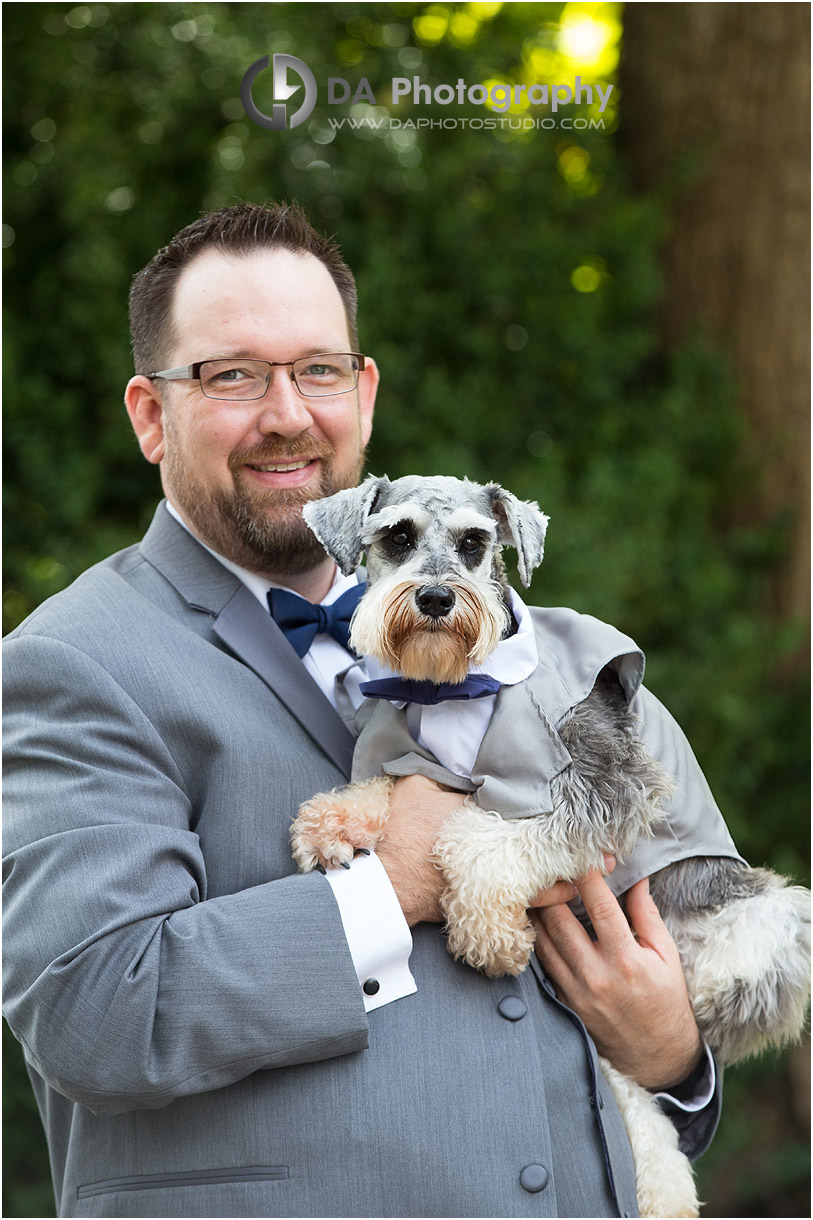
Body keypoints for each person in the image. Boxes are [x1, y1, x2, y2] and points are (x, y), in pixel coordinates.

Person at [3, 201, 743, 1219]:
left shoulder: (509, 643)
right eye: (231, 374)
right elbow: (95, 1010)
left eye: (317, 368)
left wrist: (673, 1053)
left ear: (363, 390)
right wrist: (395, 878)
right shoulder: (75, 658)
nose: (287, 413)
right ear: (148, 412)